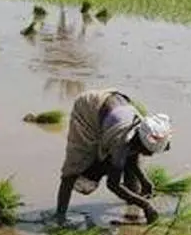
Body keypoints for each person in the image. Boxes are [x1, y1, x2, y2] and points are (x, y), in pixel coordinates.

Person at [54, 89, 173, 225]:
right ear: (139, 142)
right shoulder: (120, 143)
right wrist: (146, 205)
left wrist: (144, 180)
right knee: (73, 170)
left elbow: (133, 160)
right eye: (148, 150)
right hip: (88, 108)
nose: (150, 154)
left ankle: (131, 211)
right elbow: (113, 184)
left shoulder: (141, 131)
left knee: (131, 165)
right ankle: (59, 216)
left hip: (116, 105)